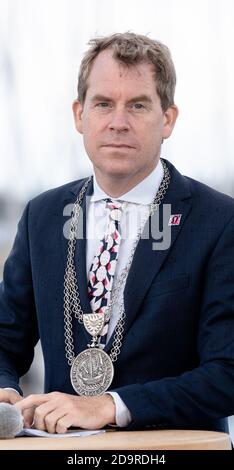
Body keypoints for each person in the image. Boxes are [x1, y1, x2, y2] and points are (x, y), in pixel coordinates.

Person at [0, 32, 234, 435]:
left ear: (168, 119)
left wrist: (110, 406)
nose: (118, 122)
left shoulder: (219, 220)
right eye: (103, 104)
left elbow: (227, 372)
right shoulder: (41, 216)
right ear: (80, 115)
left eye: (138, 105)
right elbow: (5, 339)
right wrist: (4, 387)